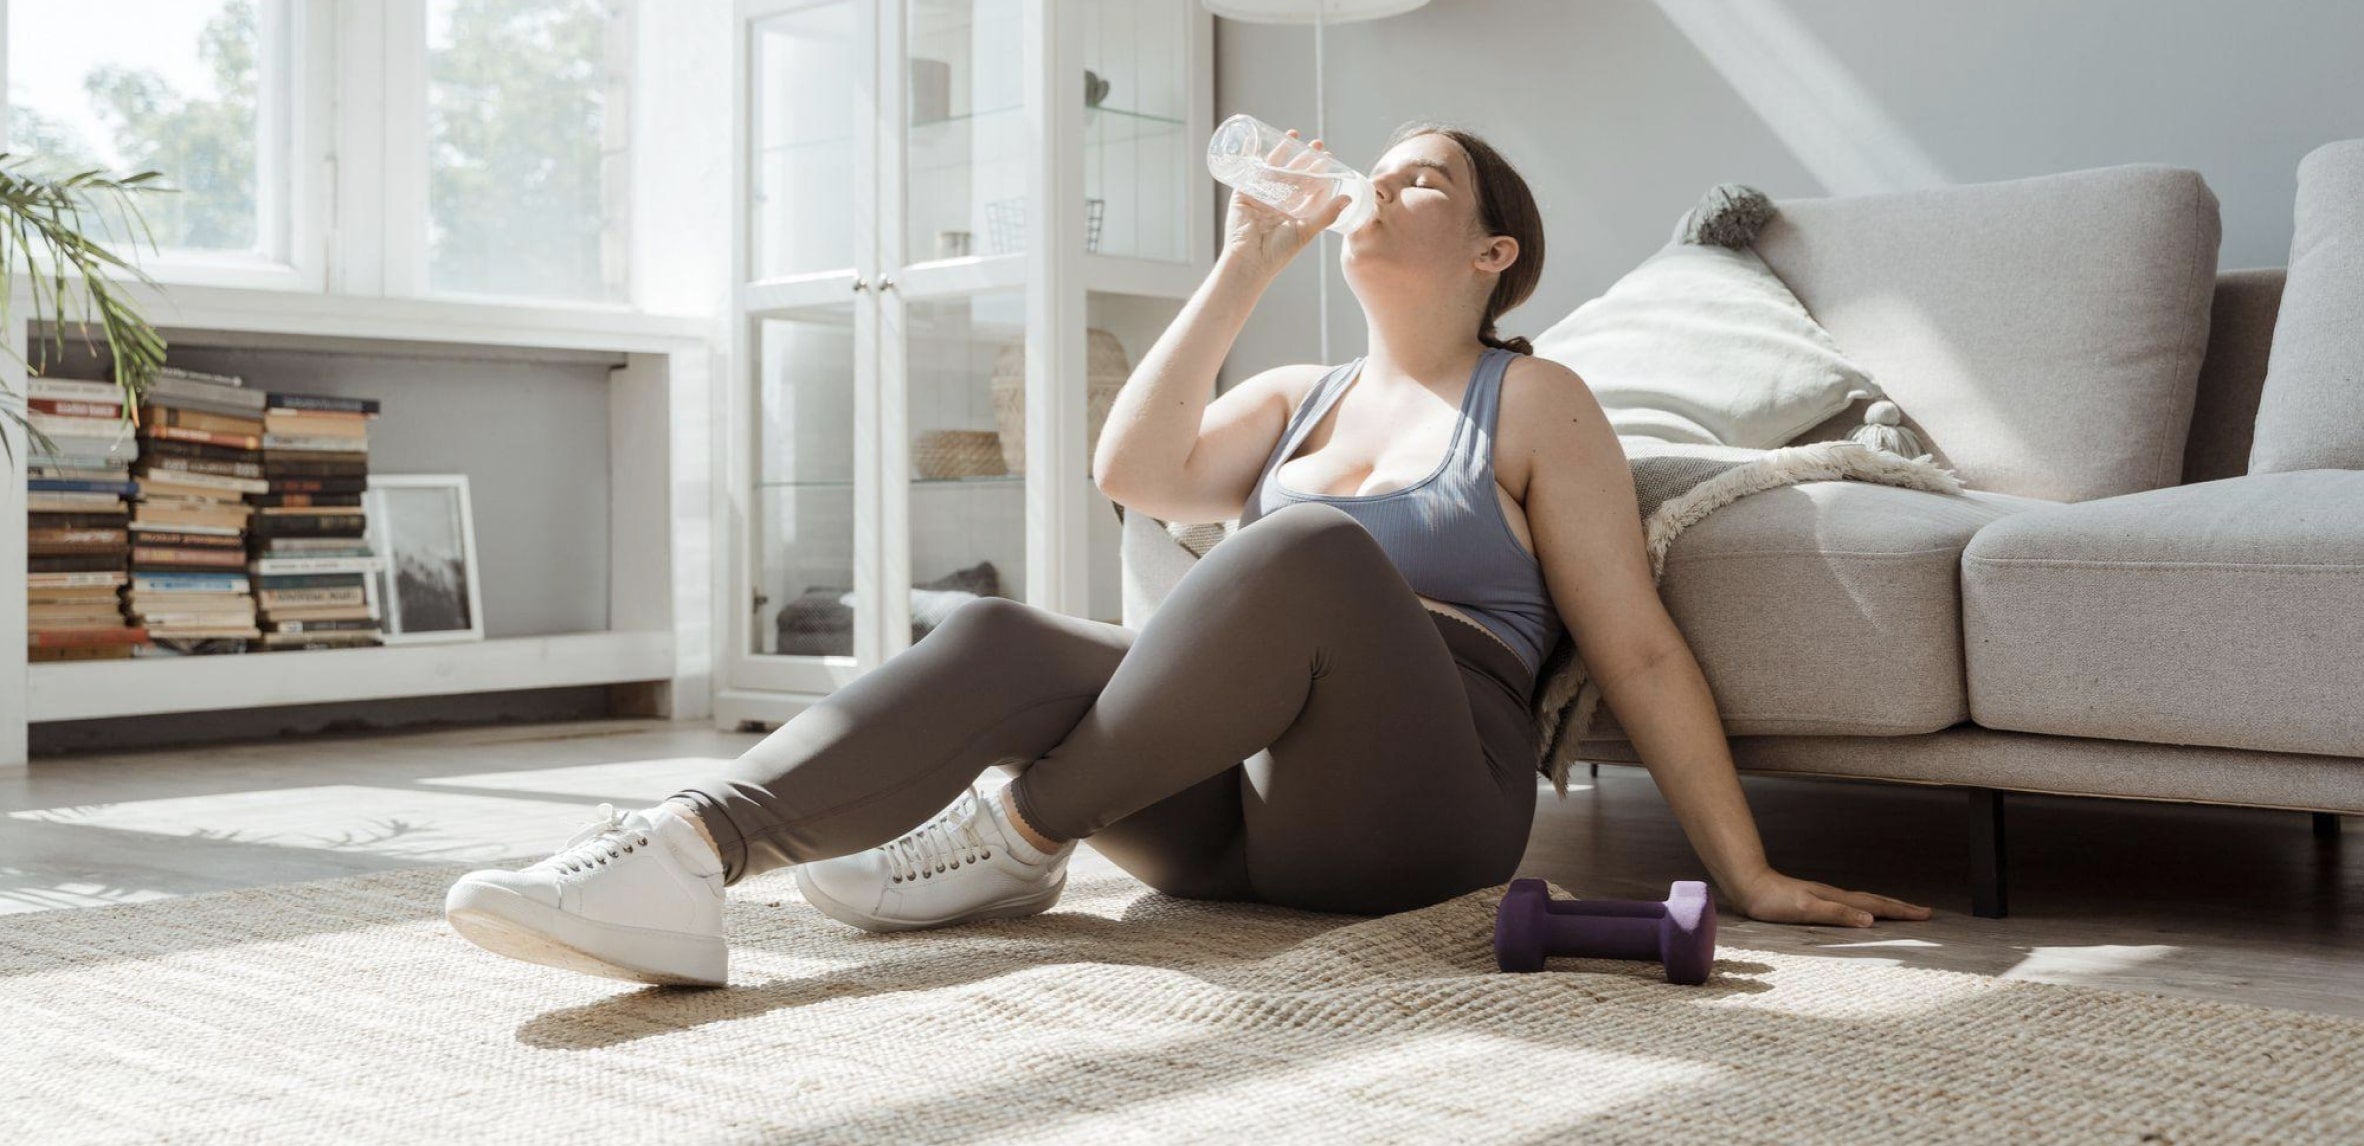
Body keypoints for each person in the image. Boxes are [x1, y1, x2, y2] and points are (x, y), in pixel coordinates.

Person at [444, 120, 1931, 988]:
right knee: (998, 639)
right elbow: (1132, 473)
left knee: (1311, 554)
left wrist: (1749, 867)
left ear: (1494, 256)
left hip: (1421, 803)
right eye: (1385, 169)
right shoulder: (1295, 394)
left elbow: (1641, 643)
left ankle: (1014, 831)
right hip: (1223, 825)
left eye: (1425, 181)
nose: (1383, 188)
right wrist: (1242, 263)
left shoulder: (1533, 398)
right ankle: (688, 854)